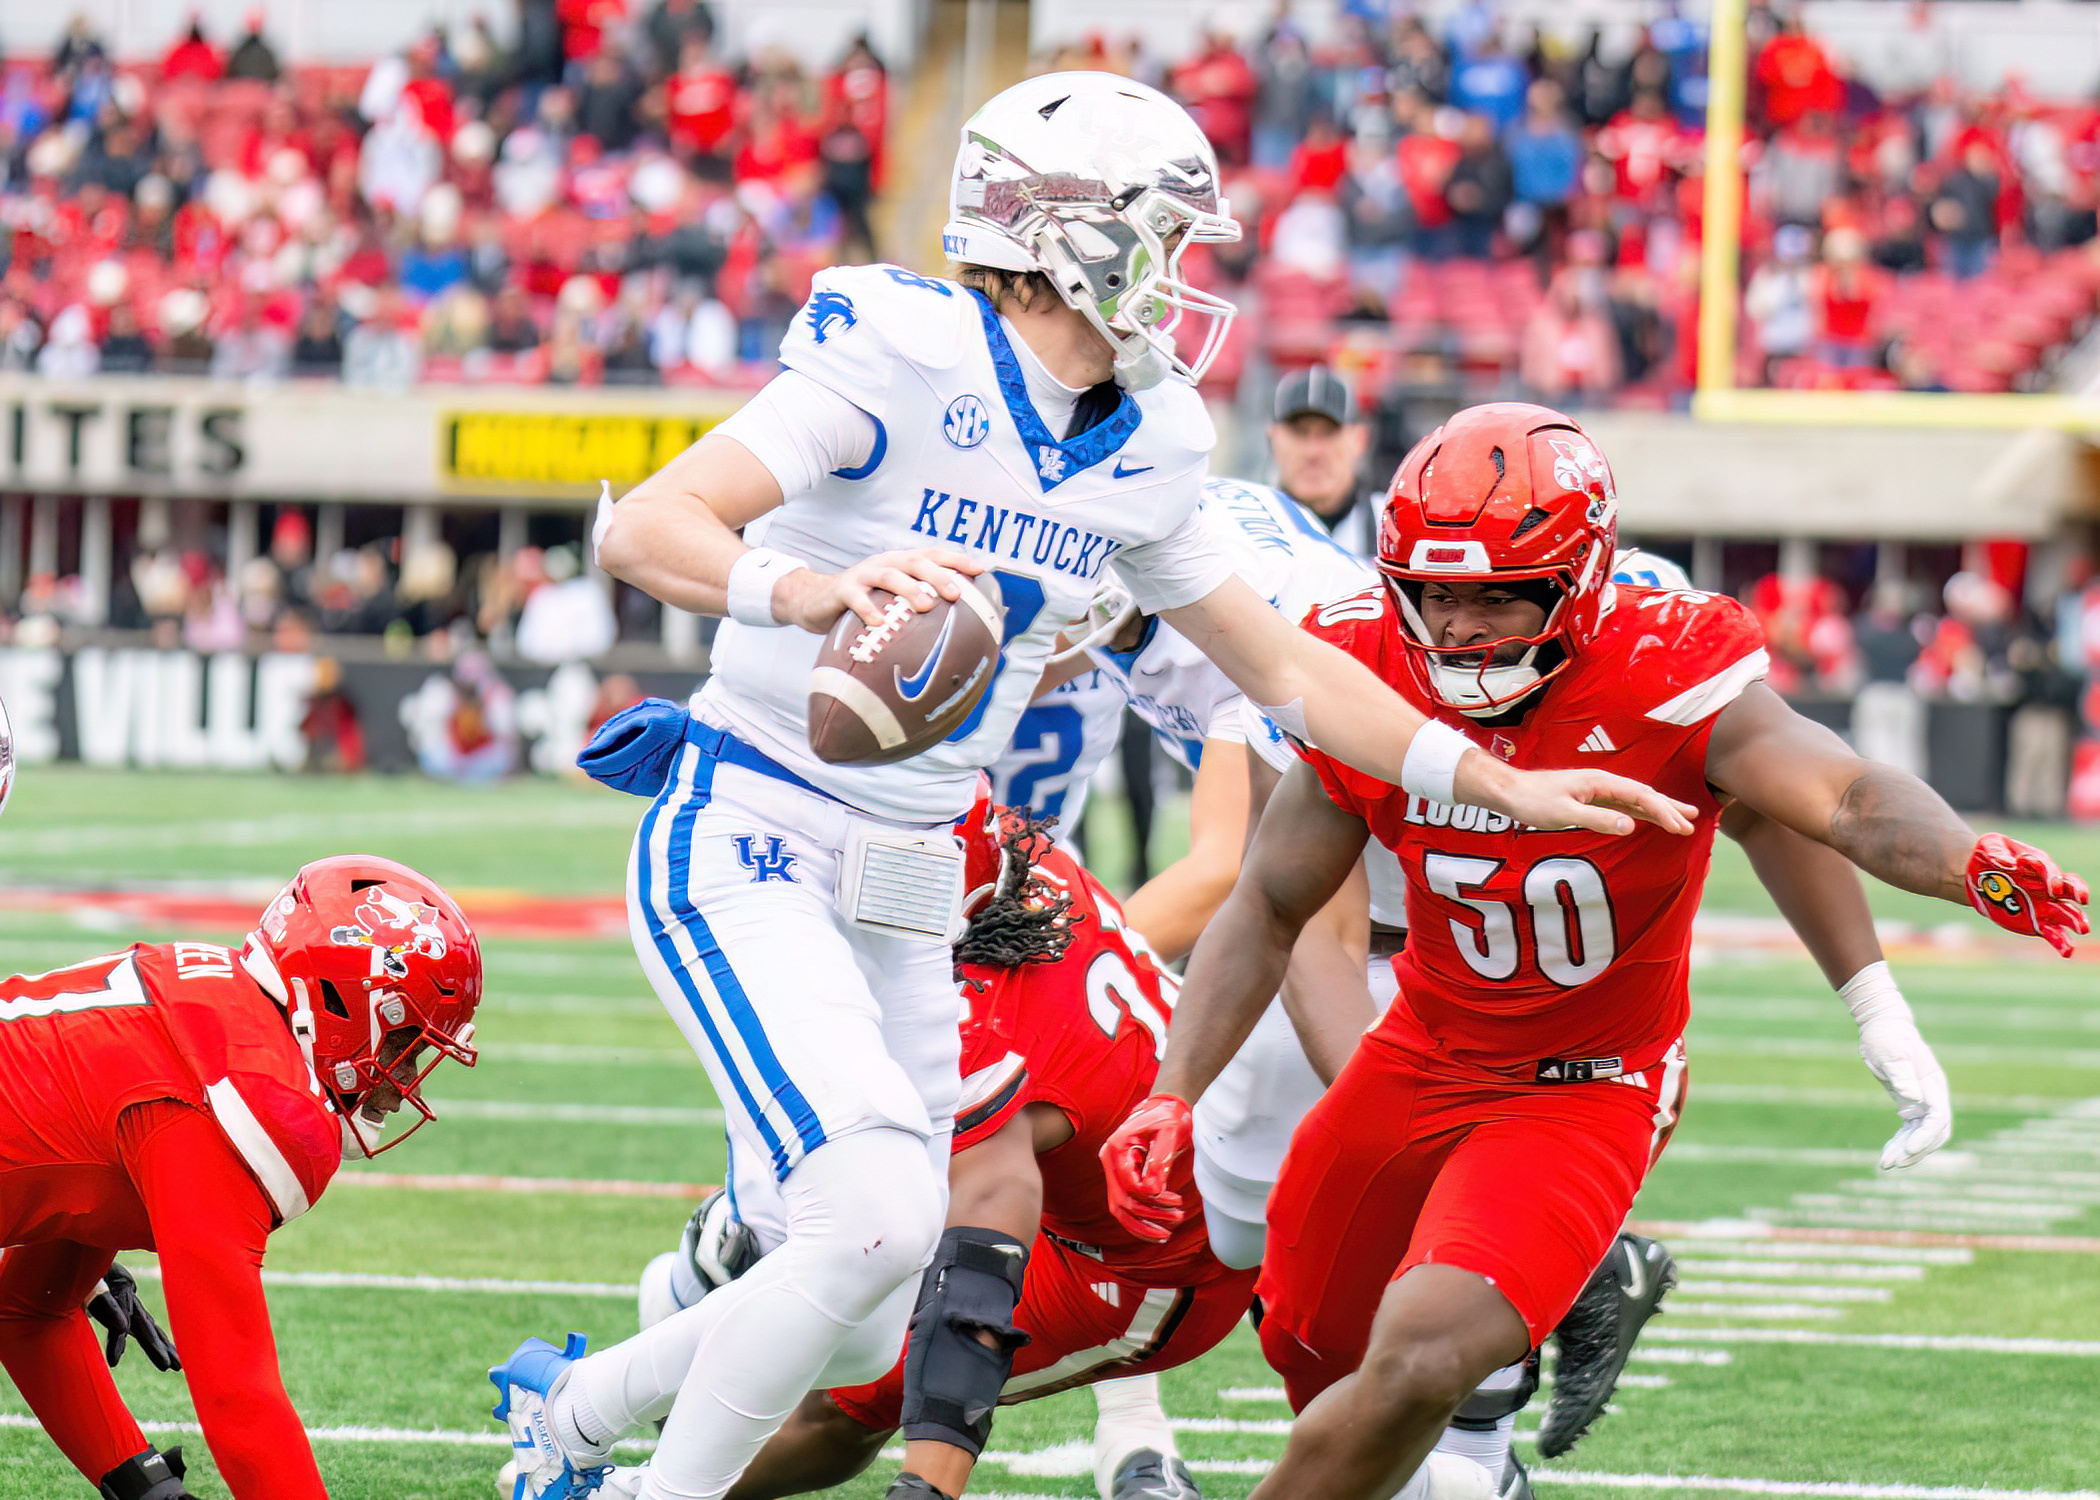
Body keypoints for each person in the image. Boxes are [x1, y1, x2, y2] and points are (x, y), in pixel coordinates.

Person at [506, 78, 1689, 1500]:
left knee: (882, 1280)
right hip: (758, 814)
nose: (1185, 278)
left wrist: (1491, 776)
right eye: (1166, 238)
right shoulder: (903, 349)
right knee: (860, 1220)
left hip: (920, 866)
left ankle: (572, 1415)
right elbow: (649, 525)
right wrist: (818, 589)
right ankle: (617, 1480)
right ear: (1070, 232)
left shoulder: (1147, 443)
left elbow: (1290, 671)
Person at [1101, 404, 2090, 1500]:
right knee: (1309, 1346)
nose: (1462, 628)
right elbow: (1270, 903)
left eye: (1496, 594)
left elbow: (1840, 797)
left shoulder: (1665, 659)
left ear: (1578, 578)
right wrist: (1171, 1092)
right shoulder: (1367, 654)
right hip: (1420, 1051)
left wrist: (1972, 870)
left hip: (1586, 1084)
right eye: (1437, 591)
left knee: (1426, 1352)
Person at [602, 799, 1313, 1500]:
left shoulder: (980, 1030)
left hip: (1152, 1259)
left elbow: (977, 1276)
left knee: (847, 1395)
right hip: (1165, 1143)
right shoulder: (1016, 861)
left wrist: (928, 1485)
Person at [0, 856, 482, 1500]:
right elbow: (240, 1402)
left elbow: (27, 1314)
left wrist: (145, 1488)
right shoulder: (230, 1094)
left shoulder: (215, 1000)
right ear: (343, 998)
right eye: (404, 1046)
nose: (396, 1090)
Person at [1267, 367, 1376, 555]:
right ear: (1273, 439)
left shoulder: (1393, 527)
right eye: (1299, 432)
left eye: (1328, 432)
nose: (1312, 452)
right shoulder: (1240, 526)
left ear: (1359, 440)